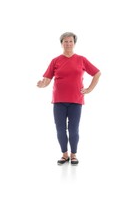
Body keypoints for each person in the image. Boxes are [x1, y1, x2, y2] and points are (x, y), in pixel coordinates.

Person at [37, 32, 101, 165]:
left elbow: (97, 73)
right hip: (59, 101)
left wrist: (89, 89)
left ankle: (73, 155)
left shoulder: (81, 59)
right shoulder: (55, 60)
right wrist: (43, 84)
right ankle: (64, 154)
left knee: (73, 129)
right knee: (60, 129)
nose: (68, 44)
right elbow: (47, 79)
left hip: (76, 101)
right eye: (65, 41)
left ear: (74, 43)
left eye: (70, 41)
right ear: (61, 44)